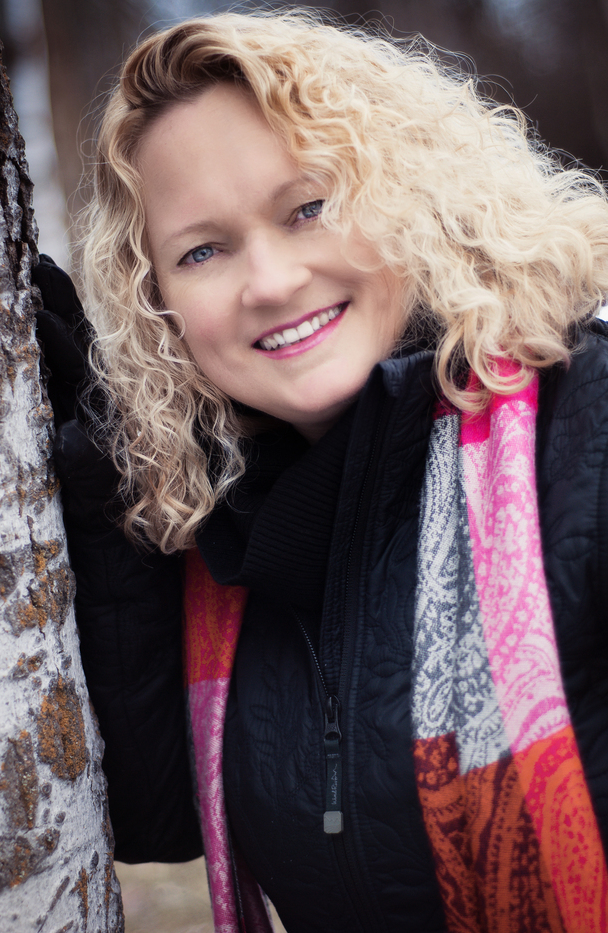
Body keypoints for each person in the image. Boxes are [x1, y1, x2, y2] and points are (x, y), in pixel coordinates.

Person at [34, 10, 608, 933]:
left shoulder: (584, 420)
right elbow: (157, 815)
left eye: (308, 208)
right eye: (202, 251)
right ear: (157, 306)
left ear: (408, 190)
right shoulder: (225, 522)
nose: (268, 280)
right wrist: (107, 493)